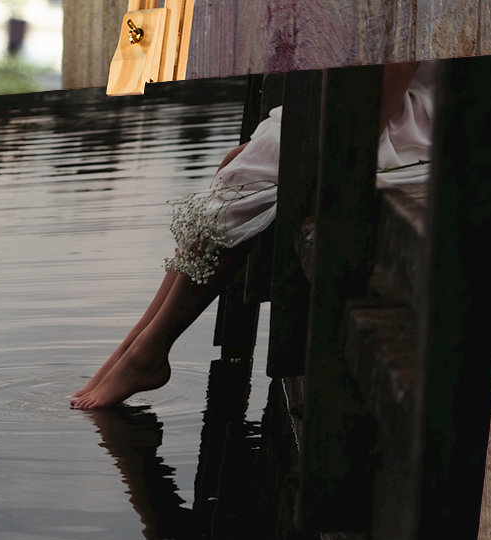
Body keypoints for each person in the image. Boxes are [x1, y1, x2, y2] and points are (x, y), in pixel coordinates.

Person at [71, 62, 433, 410]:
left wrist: (346, 149)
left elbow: (400, 64)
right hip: (385, 98)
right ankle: (137, 346)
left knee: (248, 173)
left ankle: (146, 352)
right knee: (236, 163)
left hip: (409, 117)